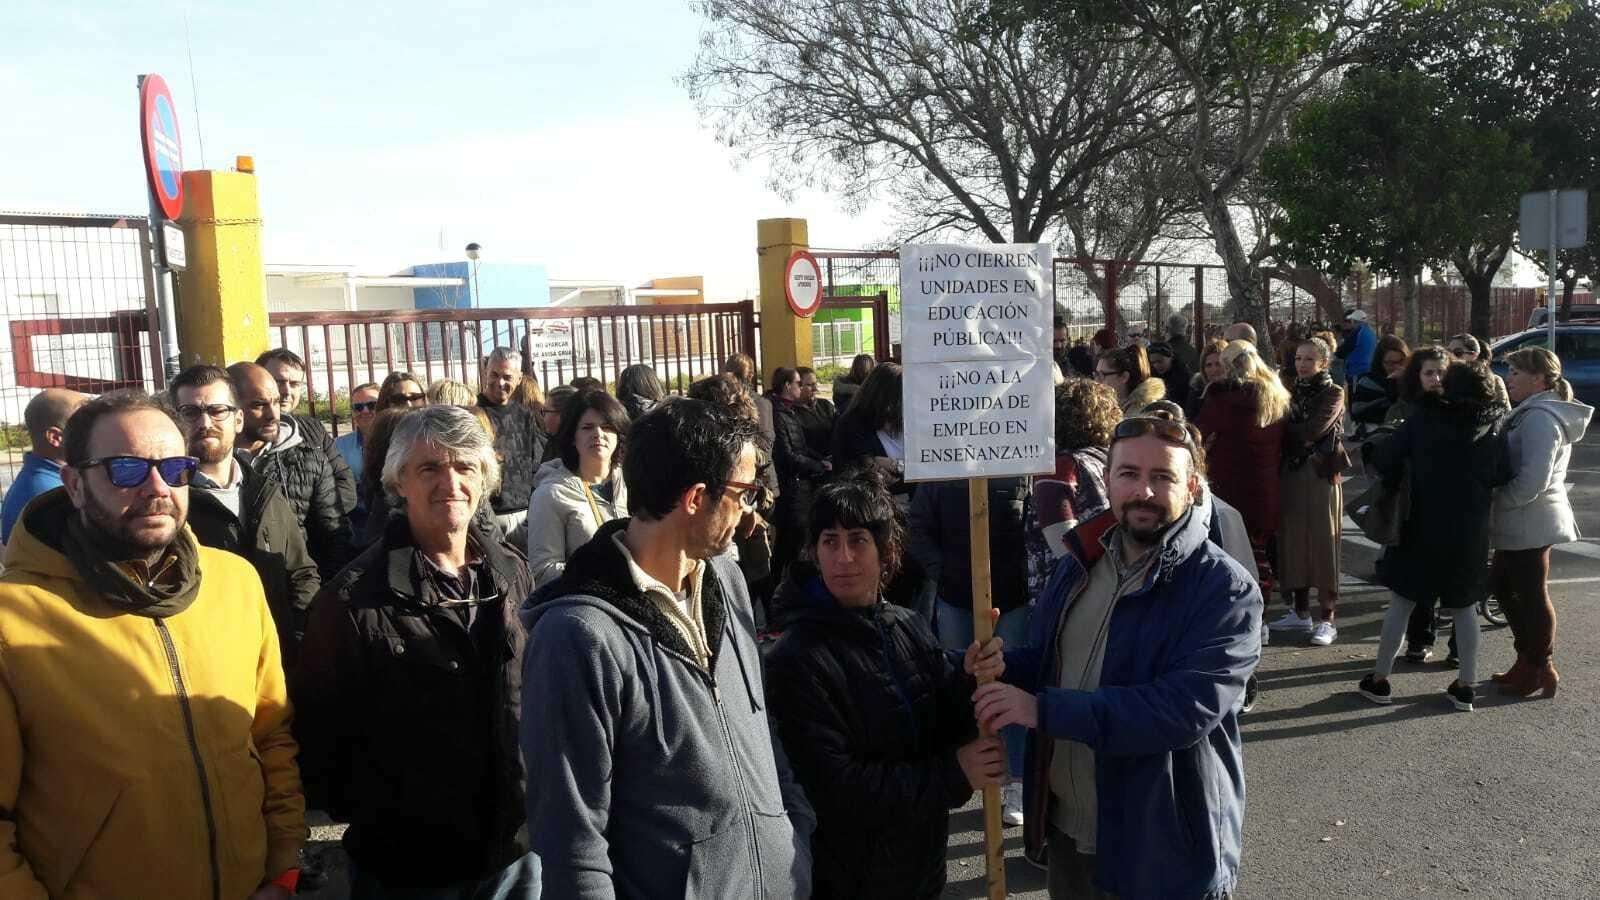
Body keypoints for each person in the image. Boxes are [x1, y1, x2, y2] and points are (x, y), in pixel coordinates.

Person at [0, 390, 305, 898]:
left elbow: (270, 735)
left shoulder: (235, 583)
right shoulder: (14, 621)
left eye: (174, 466)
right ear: (74, 484)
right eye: (126, 469)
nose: (158, 487)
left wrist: (283, 868)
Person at [519, 398, 816, 897]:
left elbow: (760, 728)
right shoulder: (578, 637)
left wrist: (793, 833)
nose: (749, 511)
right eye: (744, 493)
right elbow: (572, 845)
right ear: (697, 497)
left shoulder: (726, 579)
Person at [972, 415, 1261, 899]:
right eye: (1129, 474)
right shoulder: (1081, 561)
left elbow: (1181, 711)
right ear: (1107, 480)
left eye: (1162, 477)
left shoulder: (1224, 589)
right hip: (1069, 837)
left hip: (1161, 847)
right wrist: (1004, 665)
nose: (1143, 491)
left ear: (1191, 487)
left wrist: (1041, 710)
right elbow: (1053, 662)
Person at [294, 405, 537, 896]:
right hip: (408, 867)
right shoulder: (352, 600)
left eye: (465, 466)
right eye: (430, 468)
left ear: (485, 478)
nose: (450, 483)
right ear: (399, 480)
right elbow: (320, 743)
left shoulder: (512, 572)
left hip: (514, 854)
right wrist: (391, 809)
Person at [767, 471, 1006, 898]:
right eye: (830, 541)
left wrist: (970, 678)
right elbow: (836, 787)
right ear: (813, 552)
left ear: (886, 551)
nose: (844, 558)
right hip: (851, 880)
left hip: (921, 866)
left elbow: (940, 725)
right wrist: (954, 774)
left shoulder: (907, 624)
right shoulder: (796, 657)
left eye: (857, 540)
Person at [1358, 361, 1510, 712]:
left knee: (1403, 601)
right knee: (1464, 606)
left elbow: (1387, 457)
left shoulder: (1424, 419)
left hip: (1420, 523)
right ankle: (1465, 686)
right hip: (1469, 530)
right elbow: (1505, 473)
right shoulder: (1494, 425)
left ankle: (1380, 679)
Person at [172, 365, 320, 667]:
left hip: (281, 660)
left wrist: (302, 637)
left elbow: (301, 571)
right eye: (190, 412)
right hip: (209, 667)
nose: (205, 422)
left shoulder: (266, 491)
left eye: (217, 411)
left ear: (238, 419)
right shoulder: (168, 501)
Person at [907, 469, 1029, 825]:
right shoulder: (941, 473)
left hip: (1012, 599)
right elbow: (918, 527)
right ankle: (954, 776)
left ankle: (1016, 782)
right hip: (956, 598)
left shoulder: (1020, 467)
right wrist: (943, 571)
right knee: (955, 688)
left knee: (1012, 691)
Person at [1488, 347, 1594, 697]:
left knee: (1529, 594)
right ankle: (1529, 662)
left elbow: (1534, 480)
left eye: (1515, 373)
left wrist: (1499, 501)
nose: (1509, 379)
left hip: (1530, 519)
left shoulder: (1540, 418)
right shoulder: (1531, 412)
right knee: (1505, 587)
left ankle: (1539, 667)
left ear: (1538, 379)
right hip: (1522, 519)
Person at [231, 362, 354, 579]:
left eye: (276, 402)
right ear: (233, 407)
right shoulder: (211, 465)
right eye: (259, 405)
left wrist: (318, 597)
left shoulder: (309, 459)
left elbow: (335, 537)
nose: (272, 414)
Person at [1195, 340, 1290, 598]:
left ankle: (1235, 609)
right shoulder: (1277, 394)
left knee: (1228, 551)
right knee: (1260, 552)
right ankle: (1262, 611)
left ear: (1229, 366)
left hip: (1228, 483)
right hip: (1265, 484)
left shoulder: (1220, 397)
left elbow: (1198, 434)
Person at [1271, 338, 1347, 646]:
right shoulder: (1287, 389)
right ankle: (1300, 612)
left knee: (1322, 542)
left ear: (1324, 363)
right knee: (1292, 541)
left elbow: (1312, 431)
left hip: (1319, 474)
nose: (1302, 364)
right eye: (1299, 358)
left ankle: (1327, 617)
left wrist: (1286, 432)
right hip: (1290, 472)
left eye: (1309, 360)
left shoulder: (1333, 392)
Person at [689, 374, 781, 626]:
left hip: (746, 556)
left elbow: (766, 496)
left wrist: (748, 507)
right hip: (703, 561)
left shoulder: (751, 453)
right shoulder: (688, 457)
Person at [1024, 378, 1118, 603]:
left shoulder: (1058, 471)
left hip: (1070, 597)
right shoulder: (1108, 460)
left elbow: (1066, 551)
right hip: (1112, 584)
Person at [525, 389, 629, 588]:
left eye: (607, 426)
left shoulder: (633, 482)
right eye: (588, 427)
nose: (598, 434)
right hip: (586, 606)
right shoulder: (550, 494)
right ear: (572, 436)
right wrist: (597, 571)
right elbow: (542, 571)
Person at [257, 348, 358, 516]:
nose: (287, 391)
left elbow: (345, 484)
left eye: (294, 384)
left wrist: (309, 522)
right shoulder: (240, 433)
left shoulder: (313, 429)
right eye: (278, 381)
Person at [771, 366, 832, 599]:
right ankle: (780, 599)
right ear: (788, 386)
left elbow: (802, 447)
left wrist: (822, 461)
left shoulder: (790, 412)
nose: (802, 387)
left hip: (802, 487)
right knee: (790, 549)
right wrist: (816, 466)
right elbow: (787, 455)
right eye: (799, 383)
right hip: (792, 490)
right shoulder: (778, 413)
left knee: (793, 546)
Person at [0, 388, 86, 544]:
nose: (96, 429)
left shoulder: (40, 479)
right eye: (85, 422)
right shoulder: (52, 496)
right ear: (56, 438)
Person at [478, 347, 545, 545]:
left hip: (525, 515)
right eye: (494, 375)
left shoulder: (526, 416)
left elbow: (537, 463)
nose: (500, 383)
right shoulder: (473, 414)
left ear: (519, 378)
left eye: (507, 377)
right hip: (487, 515)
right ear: (485, 373)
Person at [334, 381, 381, 537]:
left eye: (372, 405)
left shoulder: (399, 442)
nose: (365, 411)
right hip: (352, 529)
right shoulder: (337, 446)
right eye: (358, 407)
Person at [1350, 336, 1409, 430]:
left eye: (1401, 361)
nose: (1396, 367)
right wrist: (1391, 386)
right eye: (1390, 363)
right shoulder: (1368, 381)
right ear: (1380, 362)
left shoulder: (1413, 380)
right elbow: (1357, 412)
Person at [724, 351, 777, 449]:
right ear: (751, 375)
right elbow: (767, 444)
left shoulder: (718, 401)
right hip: (755, 461)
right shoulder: (762, 403)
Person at [1095, 344, 1165, 418]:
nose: (1096, 380)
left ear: (1124, 377)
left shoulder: (1141, 415)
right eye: (1096, 374)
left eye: (1103, 375)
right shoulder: (1110, 405)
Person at [794, 365, 837, 455]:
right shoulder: (790, 413)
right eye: (809, 385)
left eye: (815, 384)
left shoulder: (826, 405)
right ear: (797, 386)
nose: (815, 389)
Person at [1185, 338, 1228, 420]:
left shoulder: (1237, 392)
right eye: (1208, 365)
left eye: (1218, 364)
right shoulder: (1197, 392)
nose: (1214, 369)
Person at [1335, 308, 1377, 388]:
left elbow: (1342, 352)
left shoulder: (1357, 332)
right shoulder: (1371, 332)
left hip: (1356, 371)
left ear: (1354, 321)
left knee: (1354, 396)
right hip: (1368, 369)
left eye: (1350, 321)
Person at [1147, 341, 1190, 408]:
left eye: (1160, 361)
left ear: (1171, 357)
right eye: (1153, 362)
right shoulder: (1152, 376)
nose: (1156, 365)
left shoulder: (1183, 376)